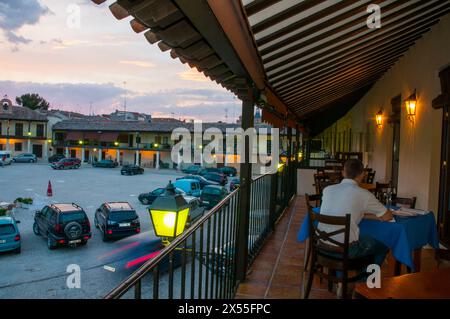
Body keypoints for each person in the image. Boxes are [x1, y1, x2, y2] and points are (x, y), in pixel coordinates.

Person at [318, 159, 392, 267]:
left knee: (362, 240)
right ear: (362, 174)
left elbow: (345, 211)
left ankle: (343, 277)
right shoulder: (364, 195)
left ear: (343, 172)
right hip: (346, 252)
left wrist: (368, 216)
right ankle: (362, 281)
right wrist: (378, 216)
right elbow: (388, 216)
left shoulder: (327, 190)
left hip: (322, 247)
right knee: (382, 246)